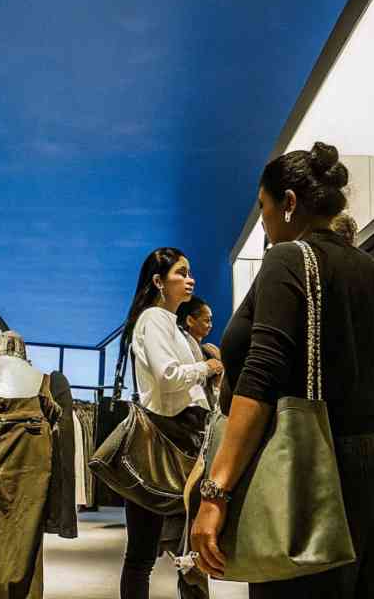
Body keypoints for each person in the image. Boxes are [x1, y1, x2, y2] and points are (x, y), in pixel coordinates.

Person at [190, 141, 374, 599]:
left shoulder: (286, 259)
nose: (263, 222)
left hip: (317, 470)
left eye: (263, 208)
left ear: (287, 204)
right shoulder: (368, 268)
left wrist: (215, 491)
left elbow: (261, 376)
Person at [120, 248, 225, 599]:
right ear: (158, 281)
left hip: (184, 437)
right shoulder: (153, 318)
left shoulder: (173, 325)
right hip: (165, 437)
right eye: (181, 272)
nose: (190, 278)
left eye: (190, 271)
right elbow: (167, 377)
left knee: (184, 550)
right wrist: (206, 368)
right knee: (143, 553)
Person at [177, 296, 221, 408]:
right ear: (190, 321)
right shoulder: (182, 347)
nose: (210, 325)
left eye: (211, 320)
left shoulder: (208, 350)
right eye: (207, 320)